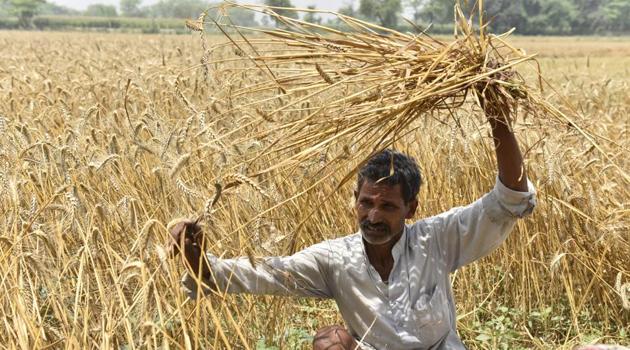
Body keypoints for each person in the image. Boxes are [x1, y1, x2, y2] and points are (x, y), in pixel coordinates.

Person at [169, 108, 537, 349]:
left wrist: (497, 117)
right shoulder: (335, 259)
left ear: (411, 208)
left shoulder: (437, 239)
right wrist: (195, 253)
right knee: (330, 341)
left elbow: (510, 199)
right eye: (366, 203)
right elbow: (260, 273)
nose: (373, 217)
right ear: (355, 201)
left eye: (388, 206)